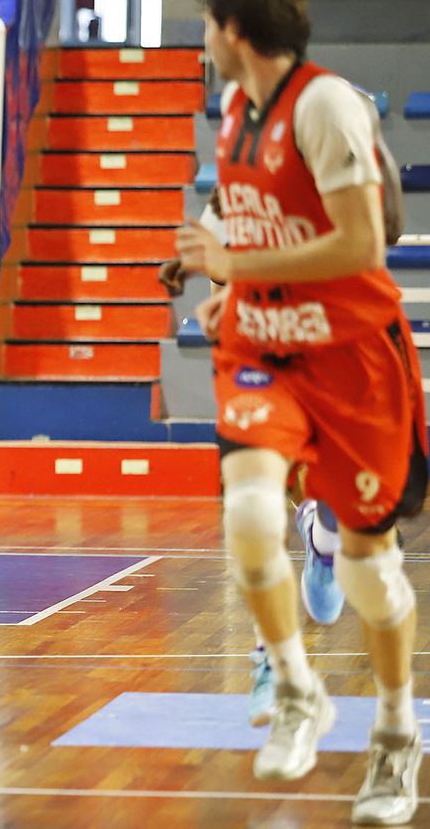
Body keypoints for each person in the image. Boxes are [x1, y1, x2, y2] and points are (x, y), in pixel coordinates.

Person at [177, 0, 424, 824]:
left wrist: (237, 263)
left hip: (353, 357)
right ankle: (292, 683)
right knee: (246, 517)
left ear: (235, 31)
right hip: (265, 347)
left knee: (373, 579)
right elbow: (247, 216)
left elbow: (362, 245)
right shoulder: (236, 109)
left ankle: (398, 734)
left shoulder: (325, 103)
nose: (202, 40)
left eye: (208, 25)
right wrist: (228, 286)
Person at [163, 123, 404, 728]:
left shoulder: (360, 172)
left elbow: (386, 229)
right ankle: (270, 657)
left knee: (348, 511)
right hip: (266, 361)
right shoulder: (245, 182)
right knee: (253, 509)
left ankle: (323, 539)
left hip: (344, 352)